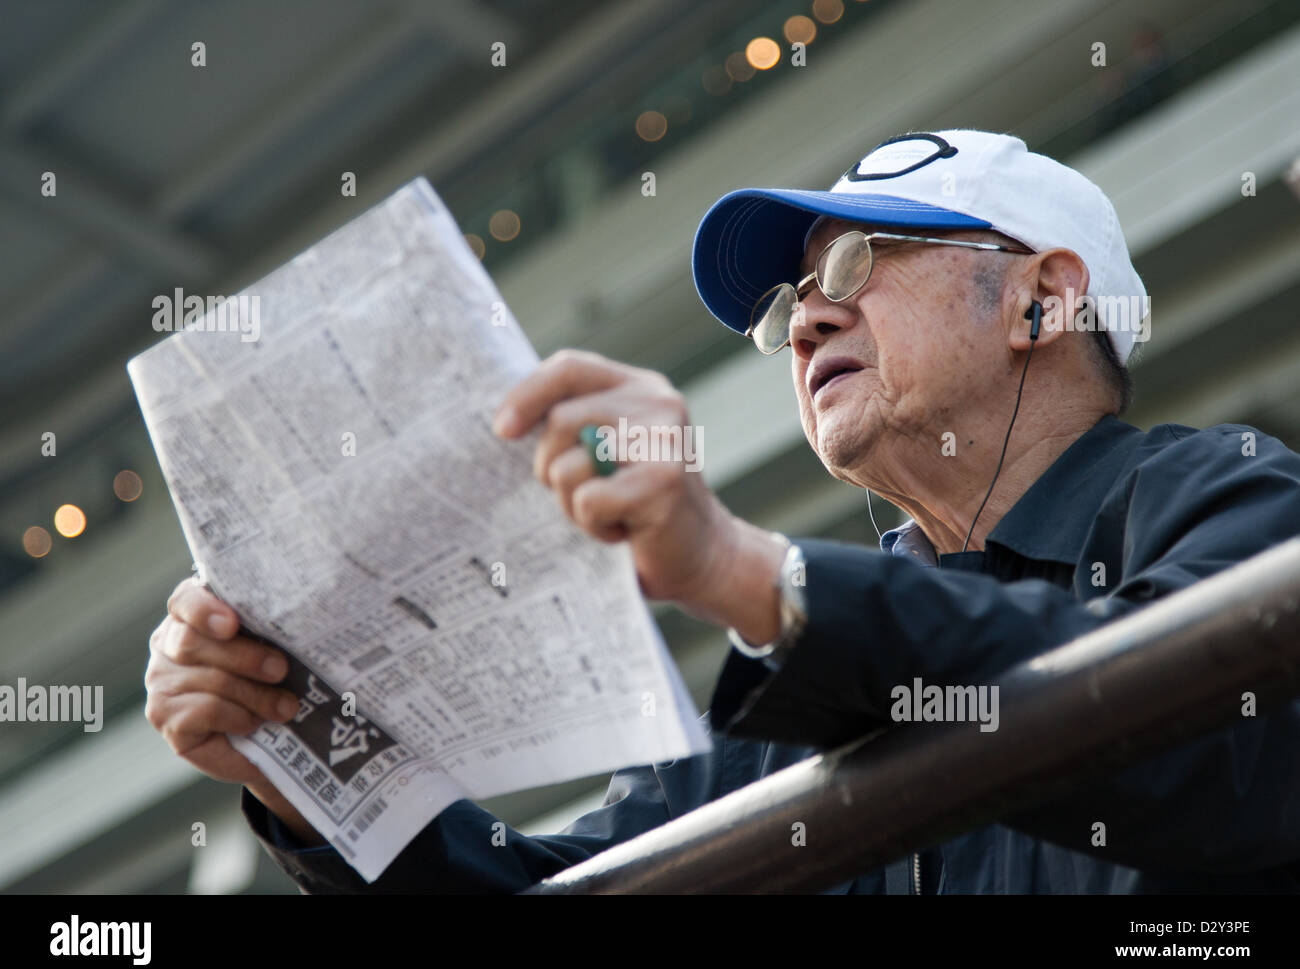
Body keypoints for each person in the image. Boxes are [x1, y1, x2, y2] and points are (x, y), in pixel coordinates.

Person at [144, 129, 1300, 893]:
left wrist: (750, 573)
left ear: (1043, 301)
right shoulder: (775, 716)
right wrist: (304, 753)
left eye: (852, 264)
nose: (803, 323)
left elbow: (1228, 764)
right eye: (790, 303)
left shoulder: (1230, 498)